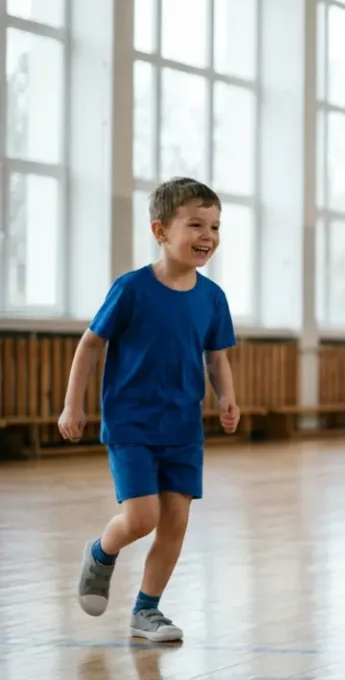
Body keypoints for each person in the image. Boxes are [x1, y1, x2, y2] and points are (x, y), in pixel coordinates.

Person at [59, 177, 239, 642]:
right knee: (143, 519)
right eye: (195, 224)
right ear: (160, 231)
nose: (208, 236)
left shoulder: (212, 298)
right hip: (131, 424)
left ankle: (147, 611)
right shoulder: (132, 289)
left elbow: (216, 357)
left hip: (183, 427)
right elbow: (89, 344)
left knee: (175, 523)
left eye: (215, 226)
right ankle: (101, 552)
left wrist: (227, 398)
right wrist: (71, 405)